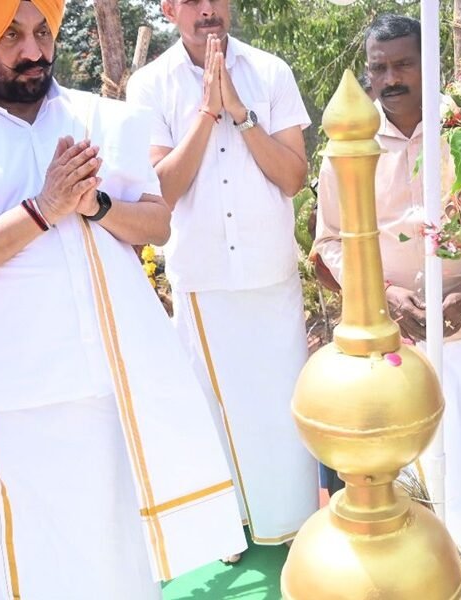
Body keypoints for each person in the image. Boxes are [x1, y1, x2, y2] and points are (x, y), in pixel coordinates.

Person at [0, 1, 245, 597]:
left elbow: (156, 225)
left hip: (110, 381)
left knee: (119, 561)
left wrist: (97, 207)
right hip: (10, 395)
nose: (34, 51)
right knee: (34, 568)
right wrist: (41, 210)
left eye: (42, 32)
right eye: (11, 36)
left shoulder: (102, 119)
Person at [310, 14, 461, 599]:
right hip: (389, 349)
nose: (391, 78)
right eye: (380, 67)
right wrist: (381, 296)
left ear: (430, 65)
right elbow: (328, 242)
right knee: (407, 494)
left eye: (404, 64)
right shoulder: (346, 147)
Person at [125, 0, 318, 555]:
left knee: (282, 410)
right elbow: (161, 188)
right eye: (191, 1)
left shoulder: (269, 71)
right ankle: (224, 530)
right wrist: (206, 116)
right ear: (168, 9)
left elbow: (292, 177)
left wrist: (240, 111)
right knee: (212, 409)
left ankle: (294, 524)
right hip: (203, 276)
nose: (207, 10)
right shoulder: (150, 85)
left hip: (269, 272)